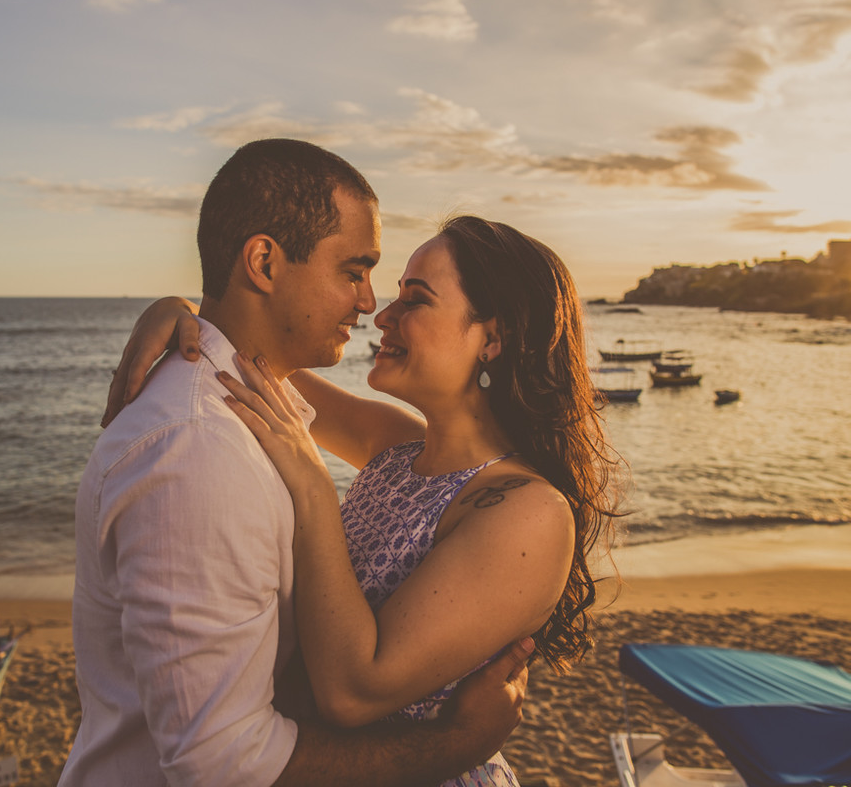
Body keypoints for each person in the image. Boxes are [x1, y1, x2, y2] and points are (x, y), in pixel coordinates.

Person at [60, 139, 531, 787]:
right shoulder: (200, 449)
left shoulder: (502, 498)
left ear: (492, 339)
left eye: (412, 298)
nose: (373, 308)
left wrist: (194, 313)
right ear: (263, 262)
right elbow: (224, 762)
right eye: (355, 272)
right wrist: (460, 743)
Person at [107, 215, 621, 785]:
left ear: (492, 340)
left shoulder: (527, 511)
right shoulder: (396, 445)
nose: (382, 316)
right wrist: (181, 313)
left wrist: (312, 485)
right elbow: (254, 361)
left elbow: (353, 693)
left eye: (415, 299)